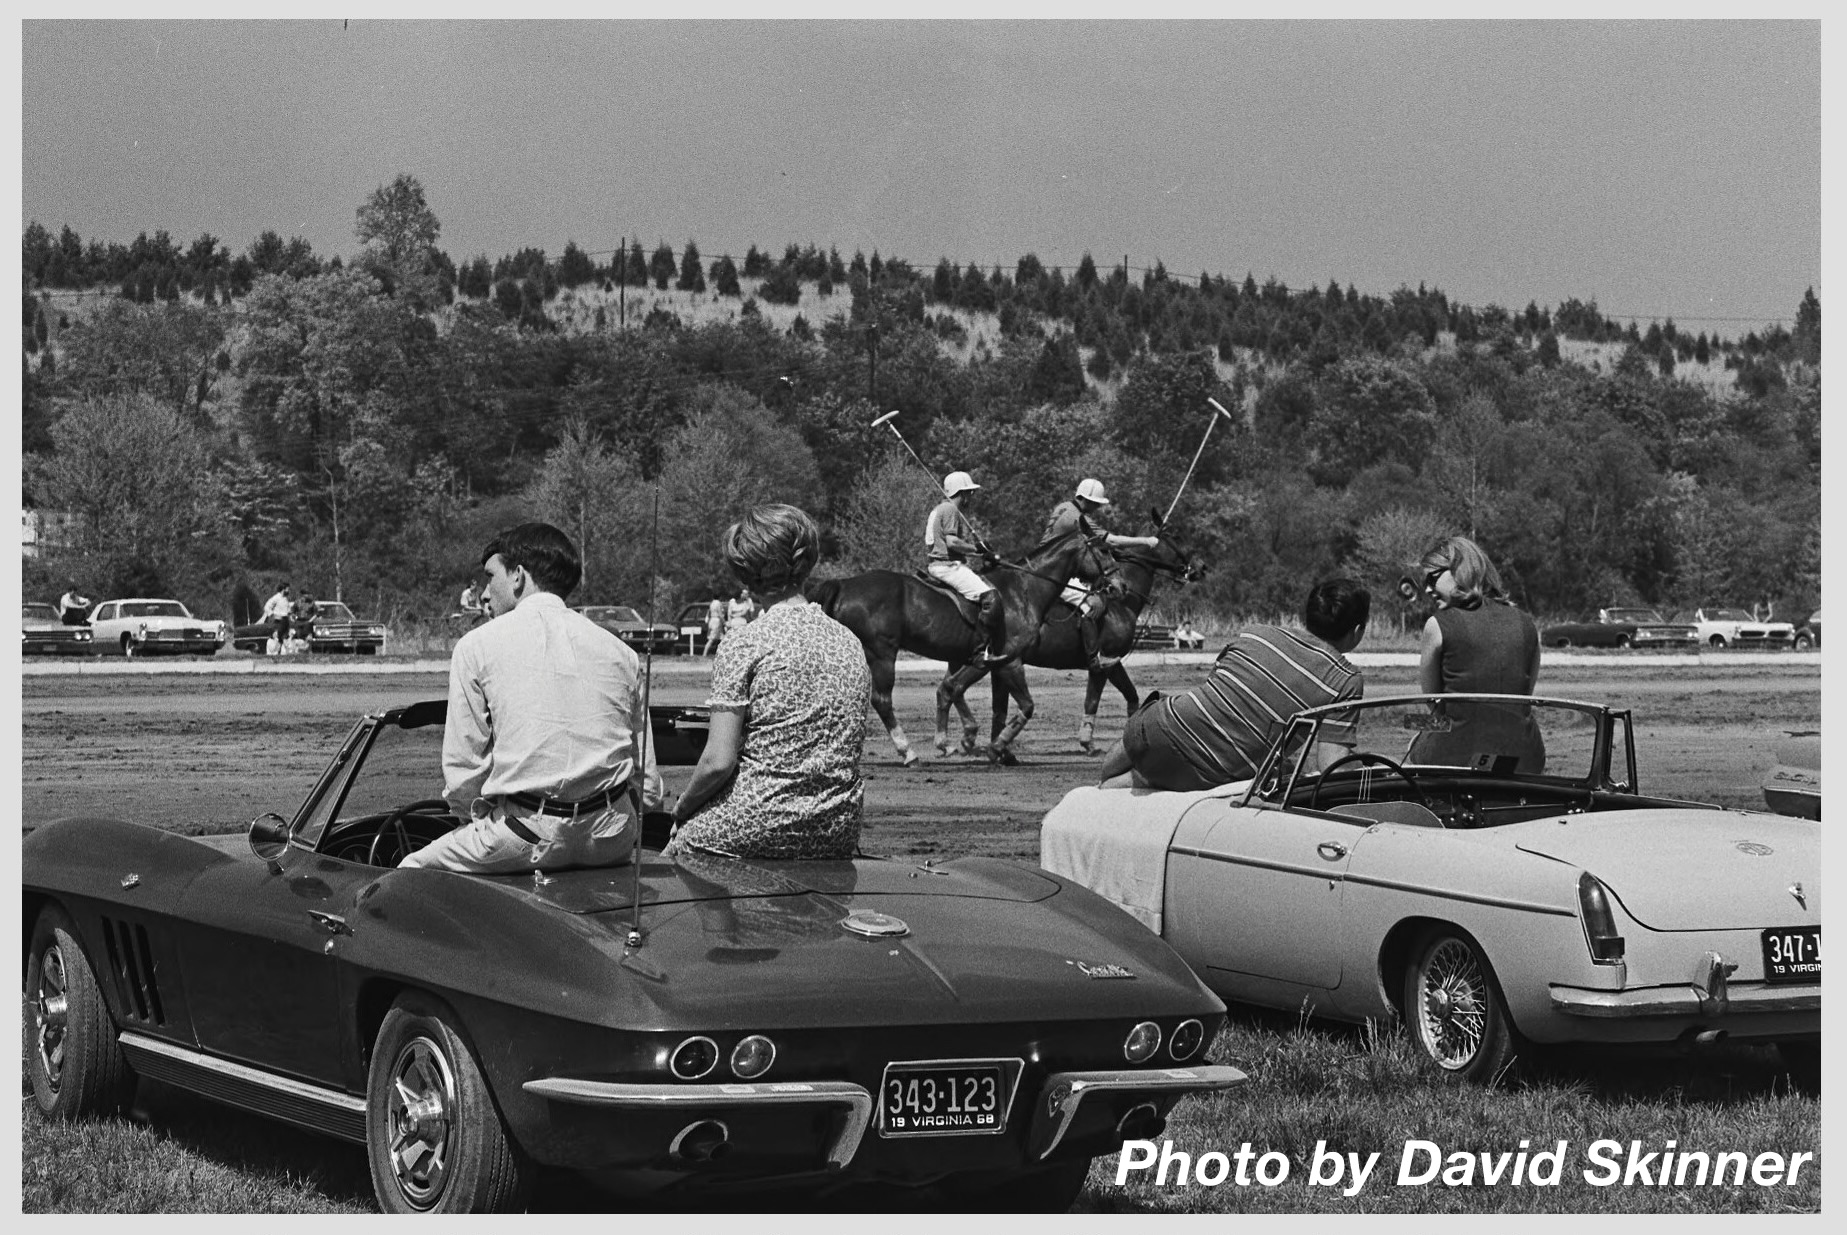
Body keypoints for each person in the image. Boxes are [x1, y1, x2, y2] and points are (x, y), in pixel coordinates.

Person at [402, 521, 664, 873]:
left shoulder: (476, 646)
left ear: (518, 577)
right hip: (612, 835)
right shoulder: (621, 652)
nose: (483, 592)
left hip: (526, 834)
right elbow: (644, 773)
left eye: (490, 575)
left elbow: (465, 770)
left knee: (409, 870)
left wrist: (473, 819)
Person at [666, 504, 871, 861]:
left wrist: (683, 808)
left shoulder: (745, 642)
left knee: (674, 853)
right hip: (837, 826)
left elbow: (718, 761)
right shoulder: (849, 641)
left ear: (746, 574)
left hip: (759, 820)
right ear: (807, 561)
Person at [1096, 578, 1371, 791]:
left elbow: (1218, 696)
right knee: (1145, 778)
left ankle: (1099, 786)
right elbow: (1331, 764)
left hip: (1159, 723)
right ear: (1357, 631)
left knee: (1158, 724)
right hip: (1213, 769)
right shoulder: (1345, 680)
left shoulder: (1255, 633)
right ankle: (1120, 785)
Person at [1408, 535, 1544, 772]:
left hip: (1459, 756)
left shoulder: (1438, 625)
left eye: (1432, 578)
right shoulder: (1526, 624)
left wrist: (1412, 724)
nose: (1428, 589)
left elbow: (1436, 706)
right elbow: (1521, 700)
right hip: (1525, 757)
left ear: (1459, 569)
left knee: (1412, 736)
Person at [1042, 478, 1158, 670]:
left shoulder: (1062, 507)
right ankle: (1094, 658)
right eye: (1096, 503)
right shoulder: (1078, 518)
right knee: (1092, 605)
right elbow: (1110, 540)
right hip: (1056, 572)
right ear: (1086, 500)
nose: (1096, 508)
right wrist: (1145, 541)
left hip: (1049, 564)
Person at [924, 470, 1005, 663]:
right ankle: (980, 651)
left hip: (938, 565)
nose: (971, 496)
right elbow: (952, 543)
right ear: (961, 493)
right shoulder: (950, 510)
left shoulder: (940, 509)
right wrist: (978, 549)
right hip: (947, 565)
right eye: (969, 492)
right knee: (991, 597)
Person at [261, 584, 293, 649]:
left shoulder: (285, 599)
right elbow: (267, 607)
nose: (288, 591)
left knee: (285, 638)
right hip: (279, 621)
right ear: (283, 589)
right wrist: (273, 615)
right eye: (287, 589)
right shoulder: (276, 598)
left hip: (285, 621)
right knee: (278, 638)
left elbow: (288, 610)